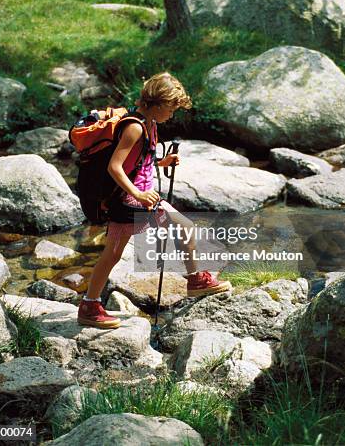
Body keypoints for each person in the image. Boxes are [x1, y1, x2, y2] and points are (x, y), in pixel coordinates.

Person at [77, 72, 231, 329]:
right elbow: (114, 168)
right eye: (171, 108)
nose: (172, 114)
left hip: (139, 198)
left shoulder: (150, 124)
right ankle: (90, 305)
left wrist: (163, 162)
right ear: (158, 104)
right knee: (114, 253)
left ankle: (194, 280)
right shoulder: (135, 127)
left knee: (123, 249)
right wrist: (137, 194)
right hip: (129, 201)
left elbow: (138, 163)